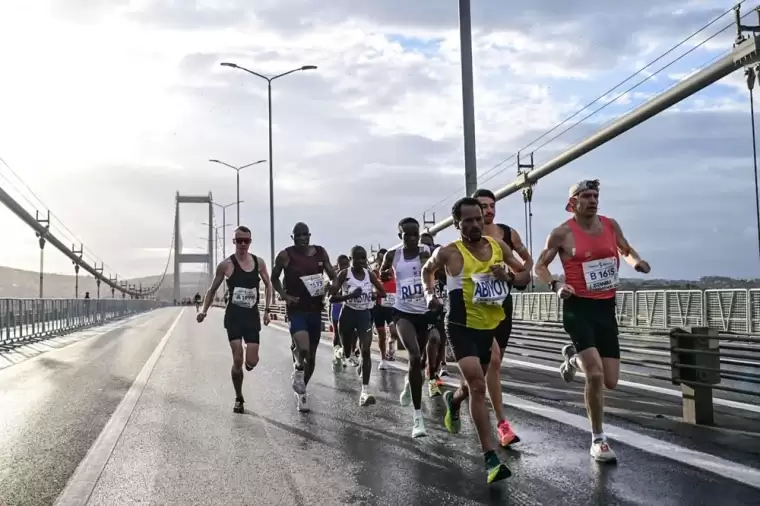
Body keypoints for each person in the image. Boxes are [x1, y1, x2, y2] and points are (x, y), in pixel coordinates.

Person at [534, 179, 650, 462]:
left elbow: (625, 249)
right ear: (573, 202)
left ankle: (573, 360)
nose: (593, 200)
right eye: (586, 196)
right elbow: (540, 266)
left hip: (605, 308)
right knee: (595, 374)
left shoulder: (610, 225)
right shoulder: (561, 233)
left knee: (610, 380)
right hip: (577, 307)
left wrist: (637, 262)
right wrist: (557, 285)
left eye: (596, 195)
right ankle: (598, 439)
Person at [422, 197, 530, 484]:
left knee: (469, 389)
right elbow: (426, 271)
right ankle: (490, 458)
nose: (473, 225)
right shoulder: (448, 253)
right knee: (479, 386)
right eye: (467, 220)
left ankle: (453, 401)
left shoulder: (499, 247)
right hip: (459, 327)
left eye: (478, 219)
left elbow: (524, 276)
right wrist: (430, 294)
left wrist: (507, 275)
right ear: (457, 224)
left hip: (489, 326)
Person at [472, 188, 534, 447]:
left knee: (490, 368)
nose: (489, 210)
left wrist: (511, 276)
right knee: (493, 362)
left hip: (501, 306)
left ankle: (458, 398)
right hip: (476, 310)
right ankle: (502, 423)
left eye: (492, 205)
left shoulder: (507, 234)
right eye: (483, 206)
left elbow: (526, 266)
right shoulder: (469, 236)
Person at [196, 226, 272, 414]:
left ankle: (248, 361)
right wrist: (204, 311)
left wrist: (267, 311)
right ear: (234, 242)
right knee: (237, 358)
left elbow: (269, 285)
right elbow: (212, 290)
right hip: (234, 317)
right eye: (239, 241)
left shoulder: (259, 262)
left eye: (247, 240)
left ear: (250, 242)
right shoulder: (226, 265)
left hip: (252, 317)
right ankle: (239, 397)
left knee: (252, 361)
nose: (243, 244)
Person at [271, 222, 336, 412]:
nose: (301, 238)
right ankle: (298, 366)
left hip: (316, 309)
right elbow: (274, 278)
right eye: (297, 235)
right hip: (296, 309)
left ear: (309, 236)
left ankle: (302, 391)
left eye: (304, 235)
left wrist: (332, 285)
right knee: (304, 350)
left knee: (312, 357)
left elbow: (333, 276)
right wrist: (284, 296)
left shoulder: (321, 253)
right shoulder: (285, 255)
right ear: (293, 237)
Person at [380, 217, 431, 437]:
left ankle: (411, 383)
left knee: (421, 362)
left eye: (415, 234)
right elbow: (382, 272)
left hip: (425, 311)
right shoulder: (393, 254)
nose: (411, 238)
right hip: (403, 312)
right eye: (406, 235)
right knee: (415, 356)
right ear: (399, 235)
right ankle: (417, 418)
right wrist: (383, 274)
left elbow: (434, 270)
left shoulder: (425, 250)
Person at [330, 245, 386, 405]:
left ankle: (365, 391)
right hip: (347, 314)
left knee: (365, 351)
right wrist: (349, 296)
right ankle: (340, 354)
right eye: (358, 258)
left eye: (364, 258)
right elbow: (332, 298)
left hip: (364, 315)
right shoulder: (344, 274)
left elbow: (383, 293)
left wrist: (373, 295)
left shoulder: (369, 274)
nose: (362, 261)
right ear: (351, 259)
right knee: (348, 352)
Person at [419, 232, 447, 397]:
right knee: (422, 348)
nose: (425, 247)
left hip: (438, 309)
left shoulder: (439, 259)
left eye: (428, 244)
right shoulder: (412, 262)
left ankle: (433, 377)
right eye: (423, 244)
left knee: (437, 340)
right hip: (416, 310)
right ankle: (423, 368)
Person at [372, 248, 398, 370]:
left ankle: (391, 342)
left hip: (392, 306)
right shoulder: (375, 272)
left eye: (385, 258)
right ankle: (383, 359)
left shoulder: (396, 271)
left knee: (394, 332)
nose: (383, 260)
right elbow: (371, 288)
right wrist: (376, 291)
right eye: (380, 258)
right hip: (379, 306)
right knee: (381, 334)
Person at [330, 255, 351, 370]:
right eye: (341, 264)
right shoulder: (335, 277)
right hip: (337, 308)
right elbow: (330, 292)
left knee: (349, 334)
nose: (344, 267)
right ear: (337, 265)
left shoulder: (352, 274)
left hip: (349, 308)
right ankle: (337, 356)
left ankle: (346, 352)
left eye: (346, 264)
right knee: (337, 334)